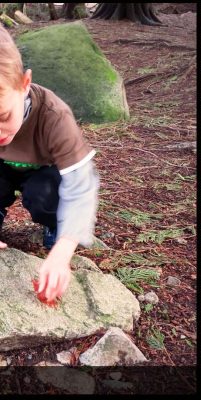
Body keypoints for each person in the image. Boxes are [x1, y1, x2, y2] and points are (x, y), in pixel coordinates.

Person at [0, 26, 99, 302]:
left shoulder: (54, 116)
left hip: (42, 172)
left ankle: (55, 225)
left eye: (3, 115)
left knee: (45, 194)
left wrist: (64, 249)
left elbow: (81, 185)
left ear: (24, 83)